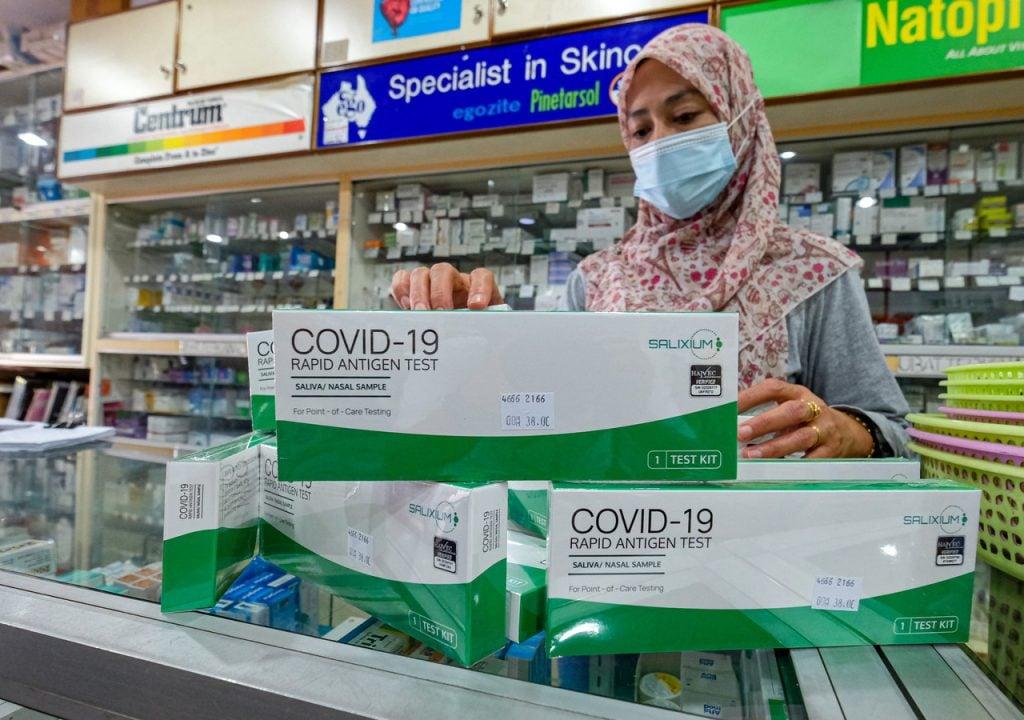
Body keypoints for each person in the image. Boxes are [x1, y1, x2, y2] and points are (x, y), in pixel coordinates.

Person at [390, 24, 909, 459]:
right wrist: (489, 337)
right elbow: (544, 421)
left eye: (684, 118)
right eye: (640, 131)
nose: (660, 142)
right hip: (613, 548)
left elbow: (893, 433)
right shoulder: (595, 280)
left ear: (740, 119)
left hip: (768, 551)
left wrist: (846, 431)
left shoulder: (812, 271)